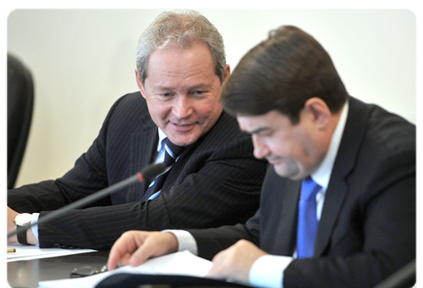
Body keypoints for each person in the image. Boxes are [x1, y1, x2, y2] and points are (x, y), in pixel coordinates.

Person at [107, 26, 420, 288]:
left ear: (316, 114)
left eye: (264, 133)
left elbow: (389, 277)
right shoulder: (294, 150)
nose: (258, 151)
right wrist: (175, 241)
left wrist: (262, 268)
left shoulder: (397, 159)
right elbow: (259, 236)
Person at [5, 10, 268, 249]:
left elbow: (160, 218)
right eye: (165, 94)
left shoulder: (245, 136)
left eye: (198, 92)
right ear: (141, 84)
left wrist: (24, 227)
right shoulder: (127, 113)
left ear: (224, 78)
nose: (182, 111)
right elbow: (70, 193)